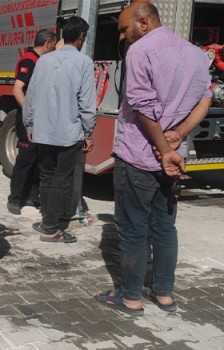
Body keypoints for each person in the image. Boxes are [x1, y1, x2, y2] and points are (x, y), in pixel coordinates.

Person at [95, 2, 211, 316]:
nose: (121, 36)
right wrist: (177, 136)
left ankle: (131, 298)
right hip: (173, 160)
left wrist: (164, 145)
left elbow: (143, 106)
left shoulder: (141, 51)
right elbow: (205, 98)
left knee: (133, 229)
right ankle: (164, 295)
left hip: (139, 157)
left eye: (123, 28)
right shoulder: (197, 54)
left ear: (144, 23)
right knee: (164, 228)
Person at [23, 16, 97, 243]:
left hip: (43, 132)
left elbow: (31, 96)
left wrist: (30, 125)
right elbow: (86, 103)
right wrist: (88, 132)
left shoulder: (43, 60)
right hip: (68, 133)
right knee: (62, 180)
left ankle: (47, 220)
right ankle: (51, 228)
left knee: (47, 176)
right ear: (82, 37)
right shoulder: (84, 63)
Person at [7, 29, 58, 215]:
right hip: (28, 118)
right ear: (47, 43)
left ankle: (30, 195)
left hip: (39, 118)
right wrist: (29, 113)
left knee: (37, 157)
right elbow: (17, 90)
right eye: (53, 44)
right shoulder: (30, 60)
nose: (54, 48)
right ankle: (15, 199)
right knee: (26, 158)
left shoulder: (41, 60)